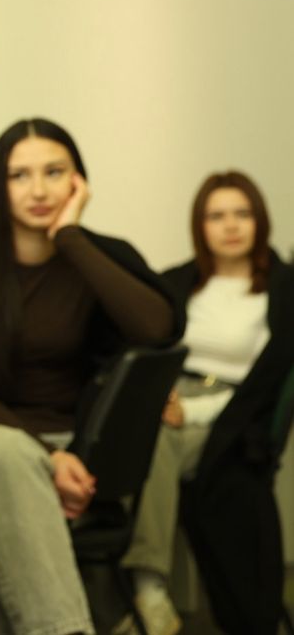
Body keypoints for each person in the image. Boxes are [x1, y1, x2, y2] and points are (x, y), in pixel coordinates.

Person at [0, 117, 179, 635]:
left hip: (84, 458)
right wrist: (46, 458)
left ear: (78, 181)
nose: (39, 190)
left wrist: (70, 237)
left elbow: (157, 330)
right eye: (19, 175)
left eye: (54, 172)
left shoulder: (95, 256)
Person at [120, 170, 294, 635]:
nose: (230, 225)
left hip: (231, 412)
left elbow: (266, 383)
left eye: (242, 213)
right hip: (169, 399)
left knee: (157, 442)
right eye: (217, 216)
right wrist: (162, 398)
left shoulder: (283, 289)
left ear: (260, 220)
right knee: (147, 434)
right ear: (200, 225)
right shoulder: (176, 283)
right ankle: (148, 592)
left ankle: (148, 585)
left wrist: (191, 412)